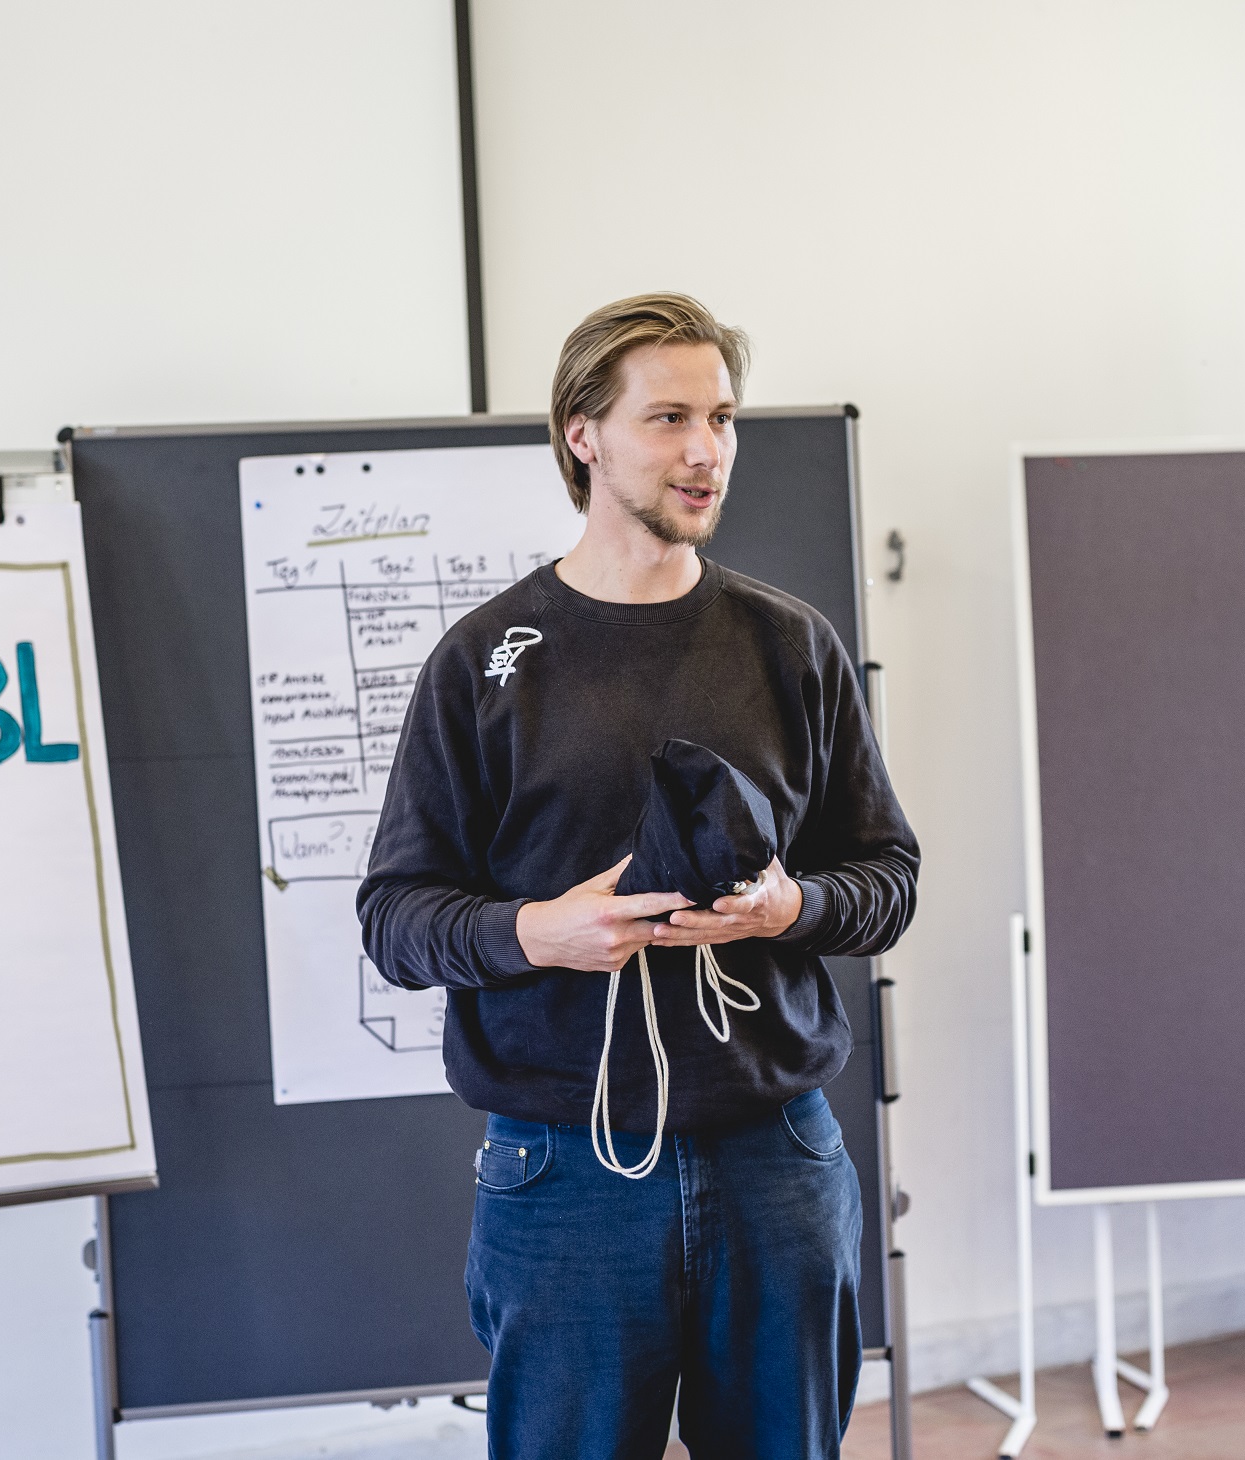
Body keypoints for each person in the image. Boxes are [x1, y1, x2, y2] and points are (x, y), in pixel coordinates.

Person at [357, 293, 918, 1460]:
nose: (705, 449)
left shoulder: (790, 645)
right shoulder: (484, 661)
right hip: (564, 1173)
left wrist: (789, 907)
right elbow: (396, 916)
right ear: (583, 435)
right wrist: (539, 931)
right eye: (668, 418)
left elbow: (886, 875)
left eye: (721, 417)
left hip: (775, 1158)